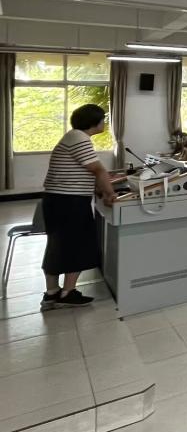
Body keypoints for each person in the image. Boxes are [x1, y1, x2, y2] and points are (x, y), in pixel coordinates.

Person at [38, 104, 115, 310]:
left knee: (58, 245)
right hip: (69, 202)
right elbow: (98, 170)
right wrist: (110, 194)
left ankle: (52, 293)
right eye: (103, 119)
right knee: (77, 244)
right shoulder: (80, 138)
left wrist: (100, 187)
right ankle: (67, 293)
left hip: (59, 200)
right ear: (94, 122)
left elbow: (88, 172)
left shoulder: (74, 136)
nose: (105, 123)